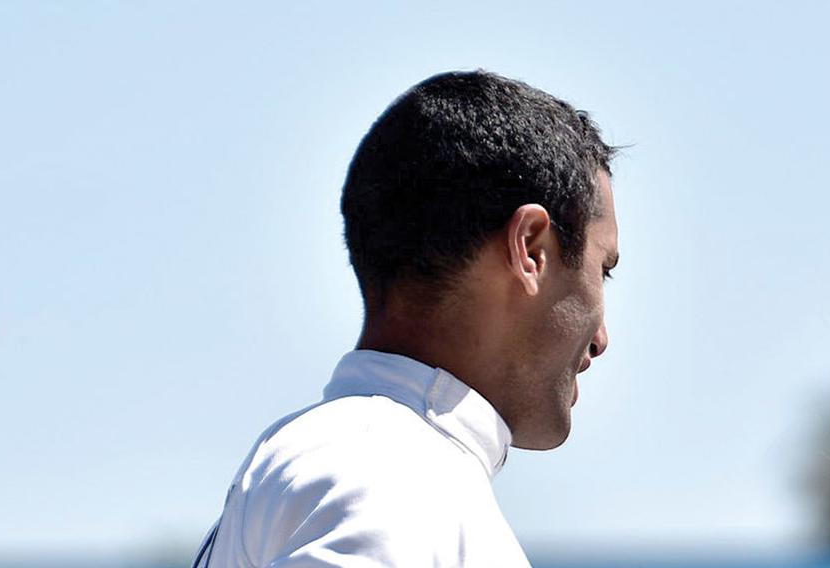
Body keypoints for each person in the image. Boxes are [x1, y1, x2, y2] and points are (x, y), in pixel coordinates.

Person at [192, 70, 620, 567]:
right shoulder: (399, 473)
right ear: (531, 250)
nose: (602, 339)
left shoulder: (334, 454)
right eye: (602, 269)